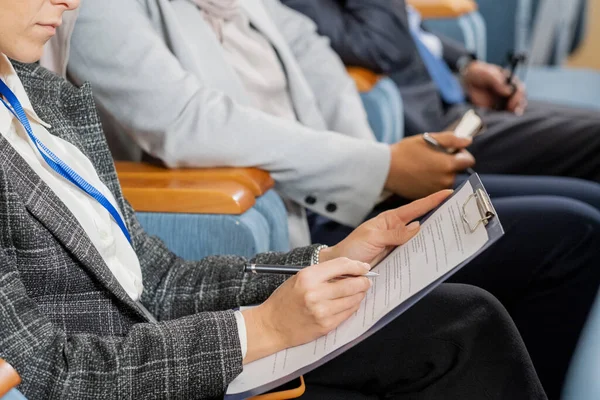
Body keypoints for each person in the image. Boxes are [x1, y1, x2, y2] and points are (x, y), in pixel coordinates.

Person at [0, 1, 552, 399]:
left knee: (462, 319)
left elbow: (159, 279)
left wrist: (329, 260)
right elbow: (47, 370)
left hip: (170, 347)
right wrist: (263, 331)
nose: (70, 2)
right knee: (464, 330)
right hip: (133, 376)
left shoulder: (45, 94)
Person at [281, 0, 600, 183]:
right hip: (428, 132)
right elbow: (384, 45)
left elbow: (411, 27)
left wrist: (464, 67)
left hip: (460, 101)